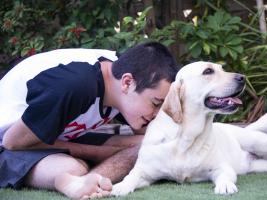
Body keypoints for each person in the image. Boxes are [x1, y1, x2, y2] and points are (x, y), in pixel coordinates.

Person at [0, 42, 179, 199]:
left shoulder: (123, 74)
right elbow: (12, 142)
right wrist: (97, 153)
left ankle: (86, 181)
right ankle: (77, 182)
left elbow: (148, 134)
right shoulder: (76, 85)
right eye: (155, 103)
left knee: (151, 143)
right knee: (72, 167)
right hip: (11, 136)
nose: (157, 113)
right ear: (127, 83)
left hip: (57, 133)